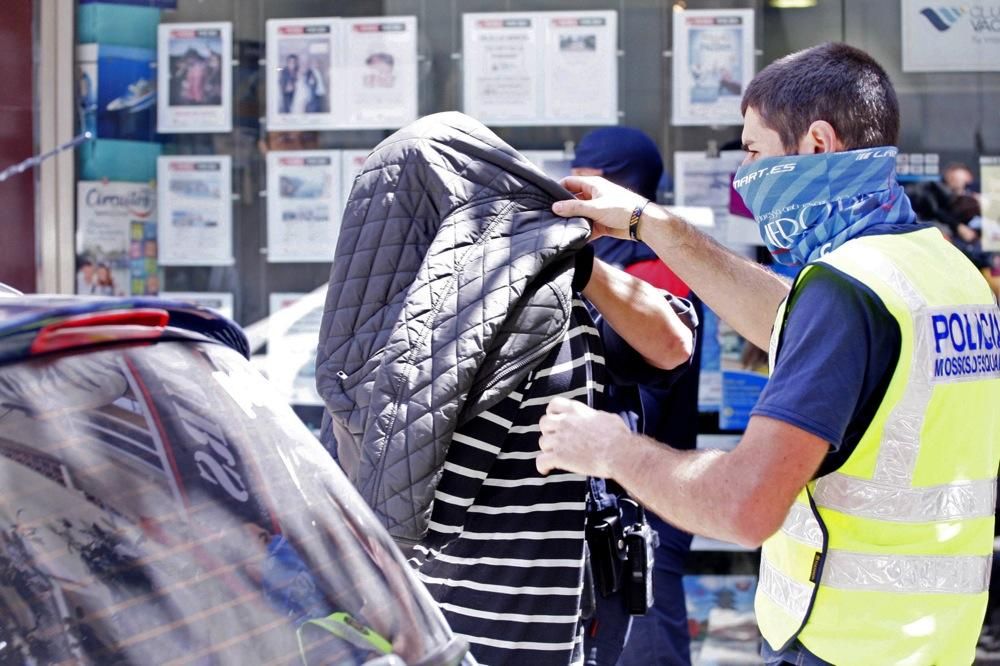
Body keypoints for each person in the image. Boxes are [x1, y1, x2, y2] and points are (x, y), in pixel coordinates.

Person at [538, 42, 1000, 665]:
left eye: (753, 151)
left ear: (816, 143)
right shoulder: (944, 272)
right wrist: (651, 224)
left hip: (842, 644)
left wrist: (610, 448)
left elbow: (744, 506)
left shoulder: (847, 292)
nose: (743, 175)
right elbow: (789, 317)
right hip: (928, 639)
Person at [315, 112, 695, 666]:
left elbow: (671, 343)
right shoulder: (454, 322)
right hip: (509, 615)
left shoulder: (373, 326)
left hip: (468, 610)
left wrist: (567, 253)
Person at [569, 126, 699, 666]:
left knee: (646, 651)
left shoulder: (656, 271)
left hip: (646, 500)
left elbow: (646, 375)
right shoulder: (637, 259)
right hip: (629, 496)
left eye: (584, 171)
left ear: (612, 182)